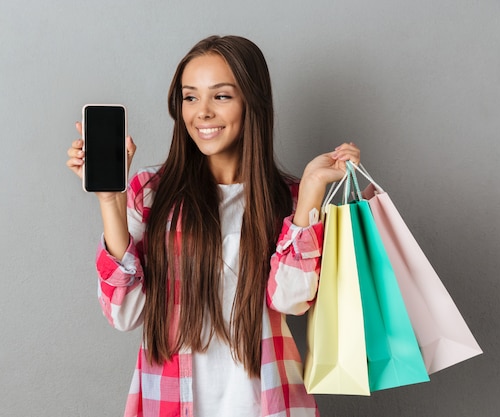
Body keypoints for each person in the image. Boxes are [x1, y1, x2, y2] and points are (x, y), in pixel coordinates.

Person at [66, 35, 360, 417]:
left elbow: (290, 300)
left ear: (252, 102)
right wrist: (110, 200)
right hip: (170, 402)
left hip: (268, 404)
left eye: (220, 96)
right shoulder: (151, 193)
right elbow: (125, 314)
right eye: (190, 97)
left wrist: (310, 196)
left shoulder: (286, 198)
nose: (201, 112)